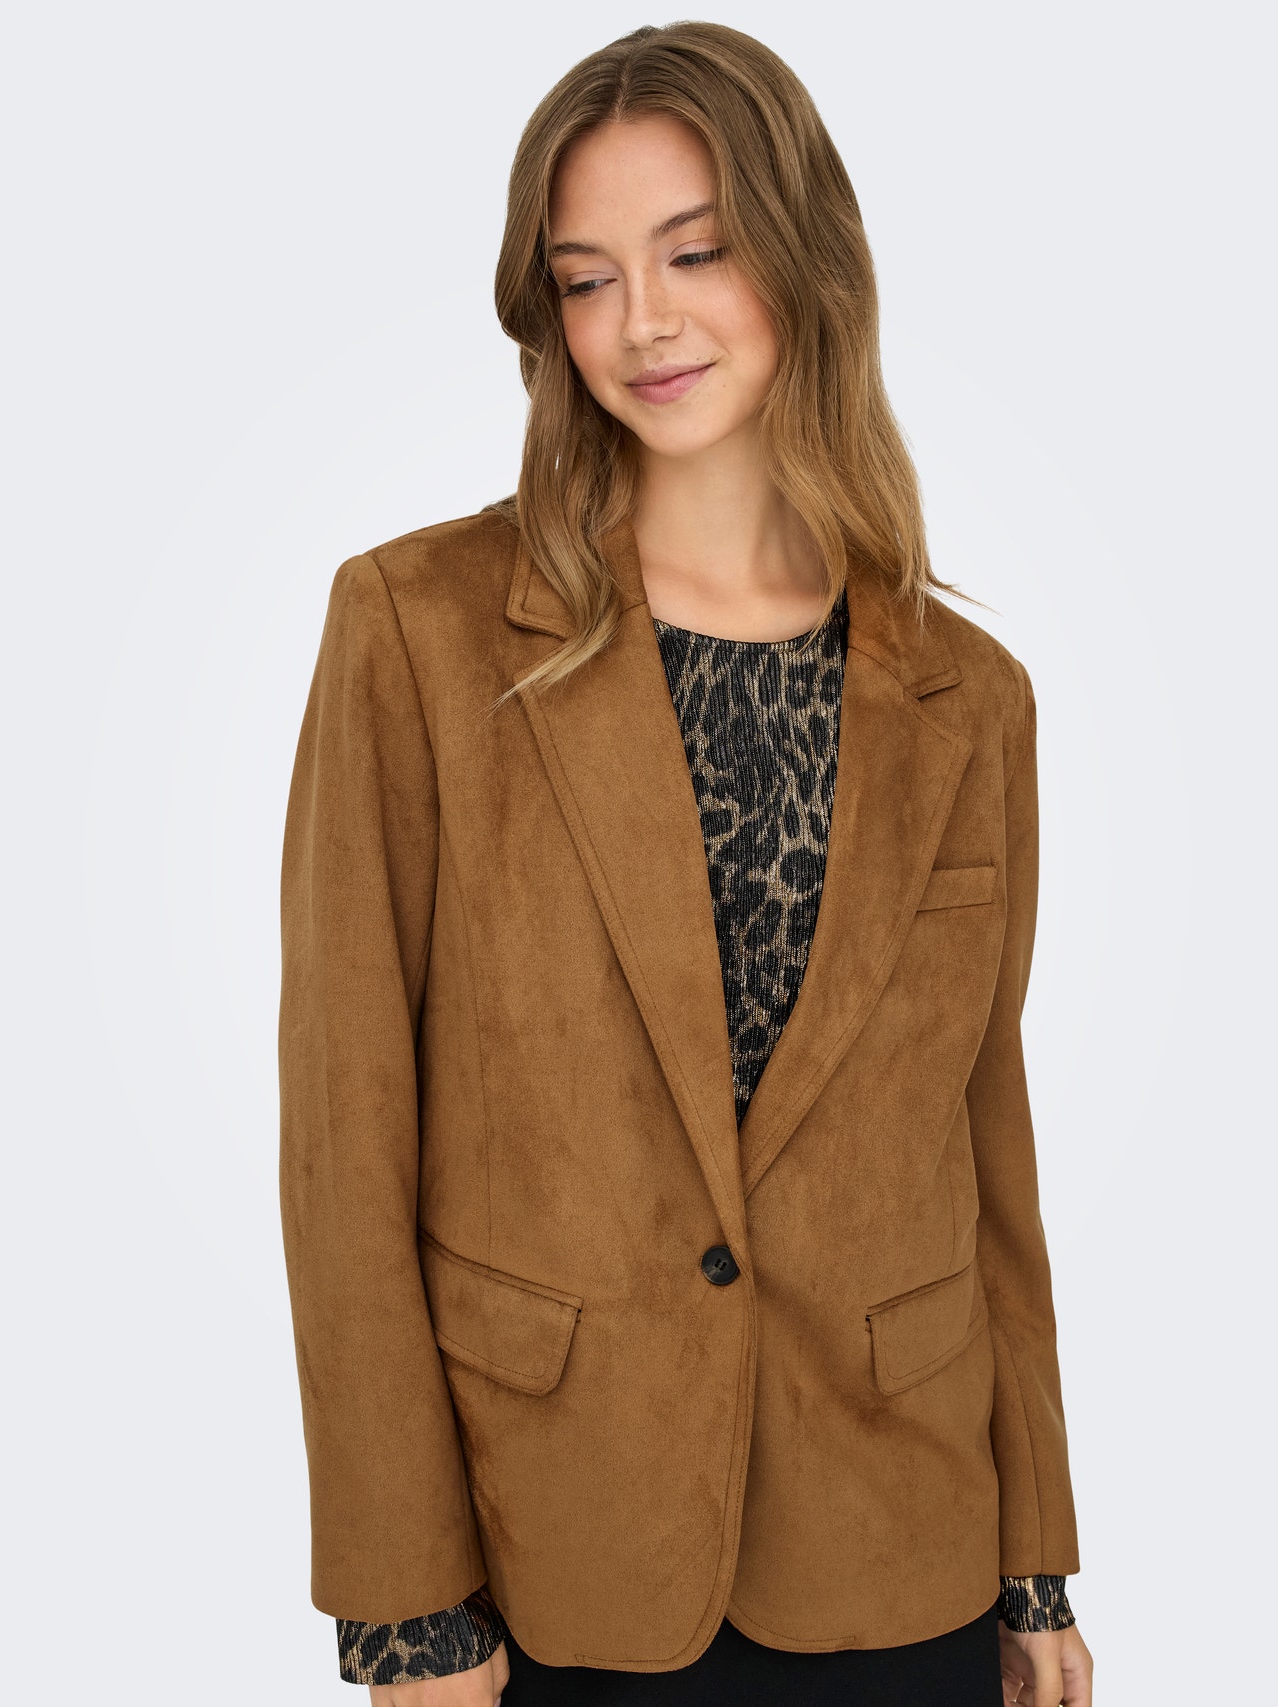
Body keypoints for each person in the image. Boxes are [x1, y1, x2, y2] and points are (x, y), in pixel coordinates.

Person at [278, 21, 1093, 1707]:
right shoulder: (416, 635)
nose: (639, 321)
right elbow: (347, 1143)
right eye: (585, 280)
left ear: (809, 256)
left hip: (899, 1547)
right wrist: (405, 1603)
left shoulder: (970, 697)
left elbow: (983, 1137)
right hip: (556, 1547)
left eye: (696, 252)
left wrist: (1036, 1563)